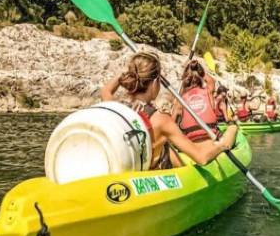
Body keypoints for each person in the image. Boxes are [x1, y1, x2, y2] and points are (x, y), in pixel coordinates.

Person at [100, 52, 238, 169]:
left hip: (134, 170)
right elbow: (201, 158)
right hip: (156, 173)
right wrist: (222, 144)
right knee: (231, 130)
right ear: (155, 83)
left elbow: (106, 91)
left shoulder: (118, 109)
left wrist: (123, 74)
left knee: (167, 146)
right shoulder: (161, 119)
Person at [172, 60, 220, 142]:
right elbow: (212, 80)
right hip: (211, 138)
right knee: (233, 128)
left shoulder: (180, 100)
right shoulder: (208, 92)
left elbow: (171, 126)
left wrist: (188, 71)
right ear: (201, 76)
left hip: (191, 141)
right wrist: (197, 69)